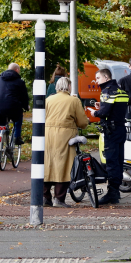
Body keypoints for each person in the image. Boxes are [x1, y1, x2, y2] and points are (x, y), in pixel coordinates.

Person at [44, 77, 89, 207]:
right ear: (69, 86)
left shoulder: (48, 100)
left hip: (48, 135)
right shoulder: (74, 100)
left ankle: (45, 198)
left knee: (47, 164)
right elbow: (82, 122)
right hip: (65, 136)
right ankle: (59, 199)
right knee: (64, 166)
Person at [93, 68, 129, 205]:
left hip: (111, 131)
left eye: (98, 78)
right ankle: (116, 190)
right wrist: (102, 105)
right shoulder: (121, 91)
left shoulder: (107, 91)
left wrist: (95, 113)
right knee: (119, 161)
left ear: (106, 78)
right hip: (120, 129)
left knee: (112, 162)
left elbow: (104, 113)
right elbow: (117, 108)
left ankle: (112, 193)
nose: (96, 81)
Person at [0, 63, 29, 161]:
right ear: (16, 70)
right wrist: (26, 107)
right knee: (18, 119)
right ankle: (17, 137)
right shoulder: (20, 82)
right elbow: (24, 97)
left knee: (1, 127)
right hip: (14, 108)